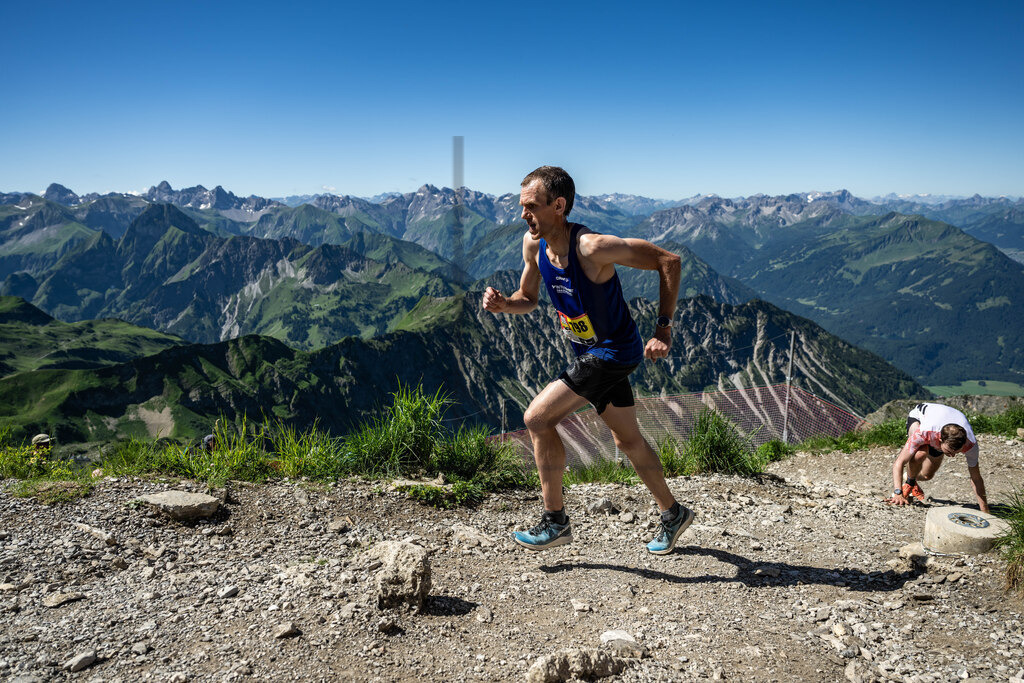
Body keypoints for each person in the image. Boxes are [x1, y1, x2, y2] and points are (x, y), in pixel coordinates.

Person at [482, 166, 695, 554]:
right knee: (627, 439)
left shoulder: (592, 247)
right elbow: (527, 299)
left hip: (613, 351)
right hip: (590, 352)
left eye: (530, 206)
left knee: (537, 418)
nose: (523, 215)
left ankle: (555, 521)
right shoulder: (533, 246)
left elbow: (669, 261)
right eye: (522, 207)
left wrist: (663, 329)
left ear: (558, 205)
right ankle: (673, 513)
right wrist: (503, 305)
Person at [885, 402, 989, 513]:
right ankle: (909, 483)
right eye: (949, 452)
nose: (953, 456)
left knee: (926, 475)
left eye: (957, 452)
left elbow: (976, 478)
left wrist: (985, 511)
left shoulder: (970, 445)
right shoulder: (924, 433)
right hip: (919, 417)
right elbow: (899, 462)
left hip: (942, 425)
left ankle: (910, 476)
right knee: (920, 453)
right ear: (939, 440)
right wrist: (897, 493)